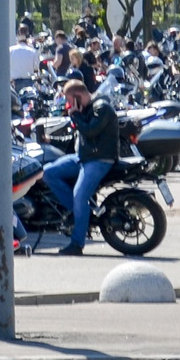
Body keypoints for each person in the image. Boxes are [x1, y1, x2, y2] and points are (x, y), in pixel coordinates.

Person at [55, 80, 119, 256]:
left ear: (78, 96)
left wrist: (75, 115)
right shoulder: (86, 109)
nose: (69, 105)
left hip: (99, 160)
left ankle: (77, 243)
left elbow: (91, 131)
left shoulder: (101, 107)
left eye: (70, 100)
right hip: (83, 157)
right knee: (47, 173)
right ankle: (79, 213)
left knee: (80, 195)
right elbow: (81, 136)